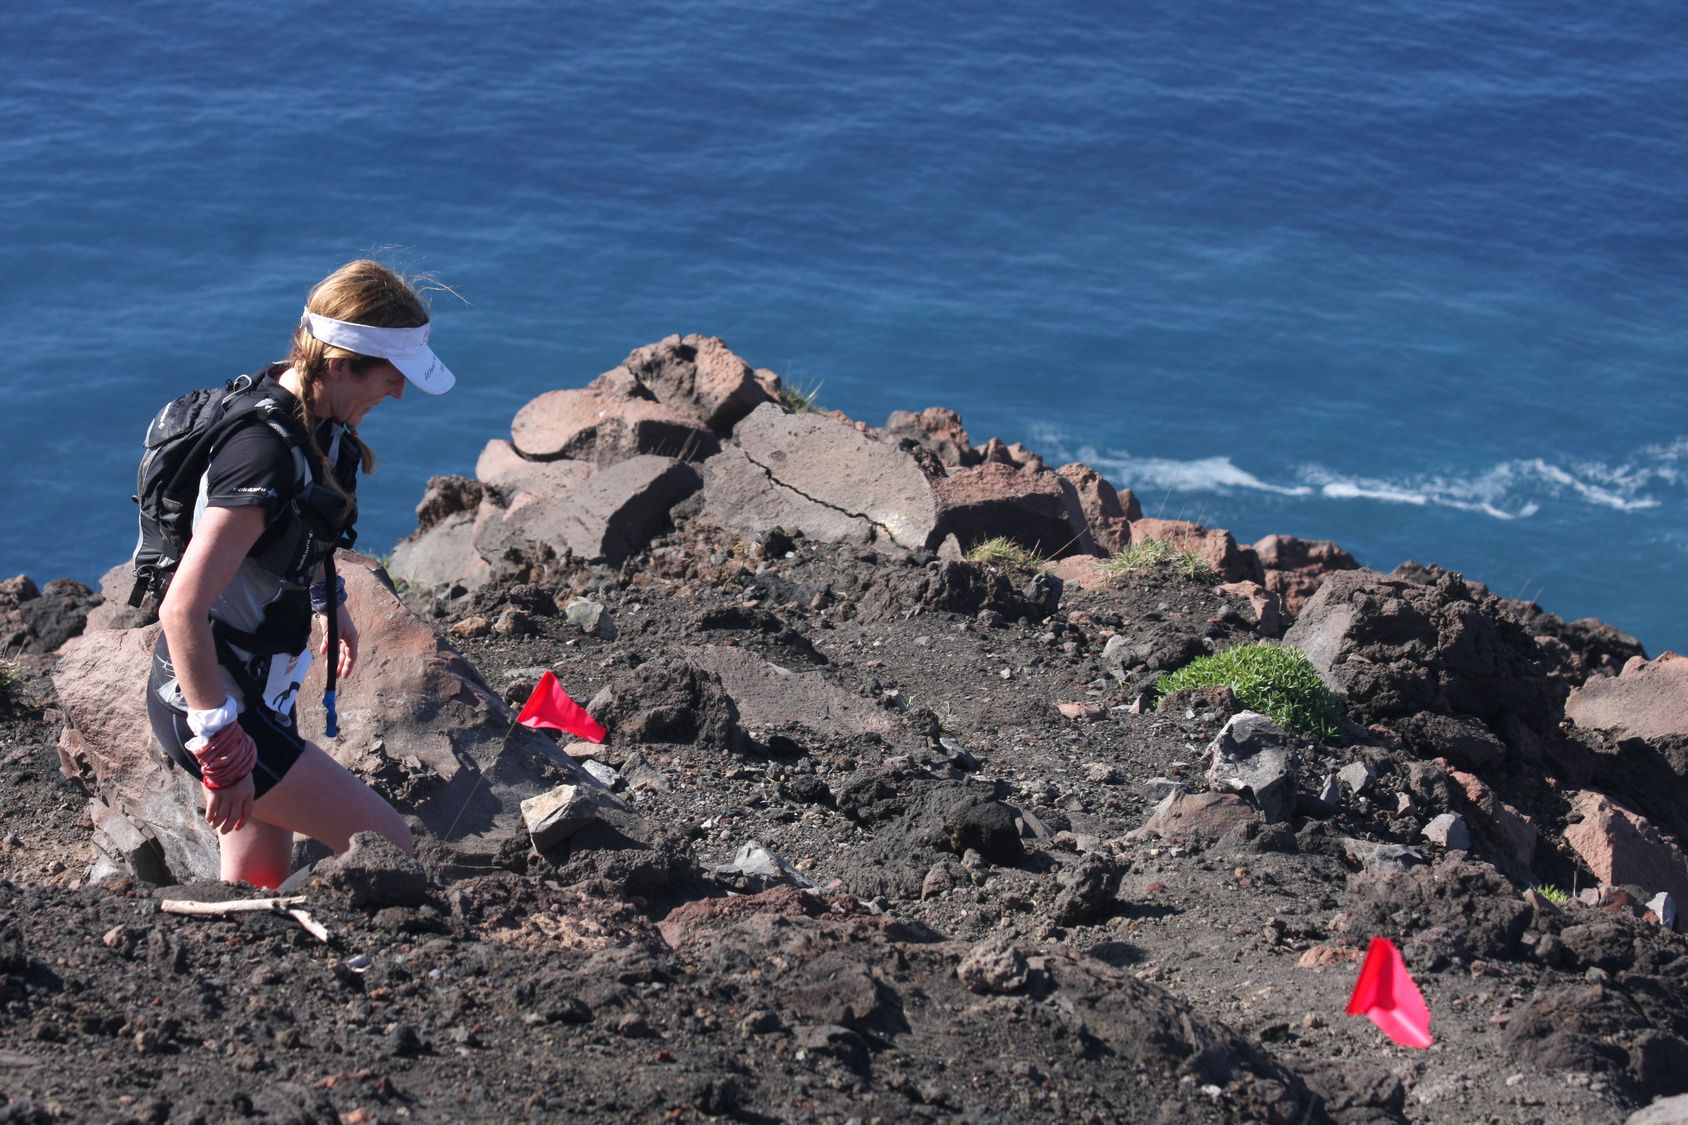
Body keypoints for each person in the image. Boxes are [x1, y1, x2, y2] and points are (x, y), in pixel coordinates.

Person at [147, 259, 455, 888]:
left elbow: (298, 533)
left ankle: (238, 974)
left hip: (264, 693)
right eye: (393, 377)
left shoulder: (323, 427)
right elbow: (181, 610)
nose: (398, 394)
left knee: (256, 879)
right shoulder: (262, 451)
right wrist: (221, 744)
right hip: (217, 703)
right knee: (388, 845)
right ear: (341, 364)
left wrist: (328, 599)